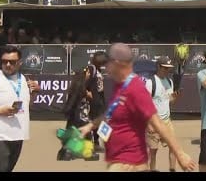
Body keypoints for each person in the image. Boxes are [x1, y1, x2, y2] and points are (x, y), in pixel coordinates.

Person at [79, 43, 196, 172]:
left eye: (109, 63)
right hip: (117, 159)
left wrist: (180, 154)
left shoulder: (136, 88)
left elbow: (158, 123)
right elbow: (110, 115)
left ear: (118, 63)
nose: (106, 68)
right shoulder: (119, 86)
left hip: (130, 163)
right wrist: (90, 126)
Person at [0, 46, 39, 172]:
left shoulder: (25, 80)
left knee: (8, 169)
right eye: (4, 61)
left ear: (20, 63)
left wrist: (34, 93)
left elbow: (27, 106)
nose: (8, 65)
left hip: (17, 135)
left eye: (12, 62)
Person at [145, 56, 180, 172]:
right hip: (154, 122)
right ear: (158, 67)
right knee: (153, 151)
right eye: (165, 68)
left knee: (173, 147)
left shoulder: (169, 81)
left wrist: (174, 98)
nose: (167, 70)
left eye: (169, 68)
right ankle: (152, 170)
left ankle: (172, 169)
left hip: (167, 121)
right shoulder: (150, 83)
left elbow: (168, 101)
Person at [57, 67, 99, 161]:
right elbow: (74, 101)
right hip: (80, 116)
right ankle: (87, 153)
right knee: (86, 133)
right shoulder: (80, 86)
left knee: (73, 133)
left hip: (76, 116)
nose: (89, 74)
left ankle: (65, 152)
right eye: (88, 73)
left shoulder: (78, 85)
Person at [87, 51, 109, 152]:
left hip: (100, 99)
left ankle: (100, 142)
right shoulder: (91, 69)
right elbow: (82, 82)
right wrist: (87, 93)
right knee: (98, 121)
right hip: (94, 101)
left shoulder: (98, 69)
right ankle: (96, 143)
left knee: (103, 121)